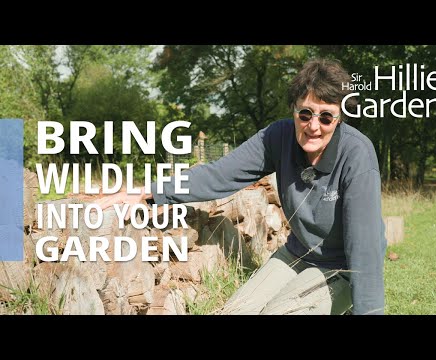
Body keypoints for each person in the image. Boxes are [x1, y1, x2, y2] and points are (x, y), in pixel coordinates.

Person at [96, 58, 387, 315]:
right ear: (293, 109)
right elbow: (219, 174)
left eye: (326, 117)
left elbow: (365, 247)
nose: (314, 126)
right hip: (297, 254)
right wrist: (150, 191)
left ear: (339, 119)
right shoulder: (277, 137)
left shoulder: (357, 154)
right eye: (306, 114)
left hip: (342, 266)